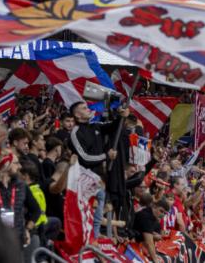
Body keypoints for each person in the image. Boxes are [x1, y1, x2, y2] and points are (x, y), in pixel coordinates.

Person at [68, 101, 128, 239]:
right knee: (86, 217)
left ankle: (94, 244)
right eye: (84, 108)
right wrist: (106, 156)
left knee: (97, 219)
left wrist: (121, 116)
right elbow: (84, 158)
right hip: (85, 183)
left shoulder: (96, 126)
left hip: (100, 181)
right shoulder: (75, 133)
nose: (88, 109)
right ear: (77, 115)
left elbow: (113, 126)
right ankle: (85, 244)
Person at [132, 193, 169, 262]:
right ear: (154, 206)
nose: (162, 215)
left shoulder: (151, 215)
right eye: (161, 211)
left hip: (139, 243)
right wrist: (155, 259)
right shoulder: (146, 217)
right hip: (132, 243)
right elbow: (149, 242)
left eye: (164, 213)